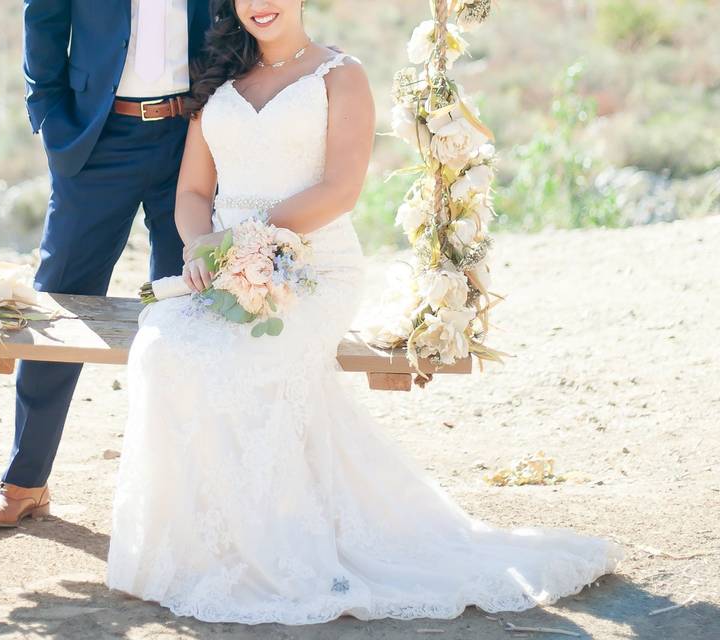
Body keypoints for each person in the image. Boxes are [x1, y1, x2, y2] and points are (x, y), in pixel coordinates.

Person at [105, 0, 624, 624]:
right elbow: (192, 192)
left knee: (248, 356)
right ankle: (204, 542)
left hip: (315, 267)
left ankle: (275, 544)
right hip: (226, 267)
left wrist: (251, 237)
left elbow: (340, 189)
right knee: (164, 346)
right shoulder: (218, 81)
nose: (261, 5)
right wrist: (202, 248)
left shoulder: (339, 74)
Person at [0, 1, 212, 527]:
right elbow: (45, 25)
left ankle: (181, 489)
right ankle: (24, 481)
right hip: (99, 141)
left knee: (186, 309)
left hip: (191, 136)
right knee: (58, 307)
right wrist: (52, 121)